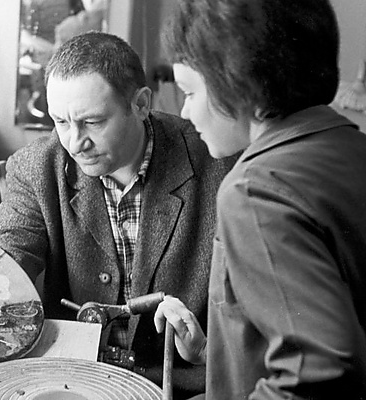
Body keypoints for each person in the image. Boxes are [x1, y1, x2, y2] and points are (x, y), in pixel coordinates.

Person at [0, 31, 236, 398]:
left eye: (92, 122)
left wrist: (206, 352)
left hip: (184, 384)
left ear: (140, 104)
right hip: (68, 381)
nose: (75, 142)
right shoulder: (36, 168)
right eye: (61, 121)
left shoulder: (219, 164)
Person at [153, 0, 366, 398]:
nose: (185, 111)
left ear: (237, 85)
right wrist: (211, 353)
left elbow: (318, 371)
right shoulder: (350, 147)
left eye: (189, 92)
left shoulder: (254, 190)